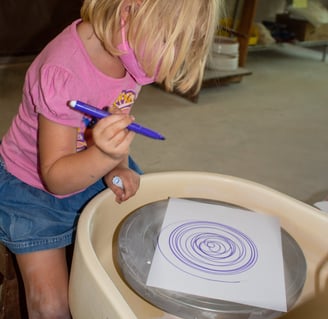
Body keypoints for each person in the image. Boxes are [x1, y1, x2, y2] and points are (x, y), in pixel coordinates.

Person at [0, 0, 220, 317]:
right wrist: (105, 155)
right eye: (168, 40)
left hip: (95, 165)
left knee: (152, 247)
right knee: (51, 305)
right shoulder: (63, 70)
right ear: (129, 11)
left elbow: (117, 122)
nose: (170, 60)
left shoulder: (129, 48)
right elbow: (56, 179)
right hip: (32, 188)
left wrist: (117, 167)